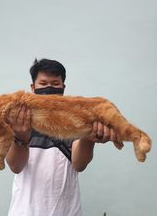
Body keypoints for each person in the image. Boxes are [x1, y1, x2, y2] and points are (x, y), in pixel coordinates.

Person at [6, 58, 117, 216]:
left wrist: (88, 138)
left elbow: (79, 164)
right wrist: (21, 137)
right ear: (32, 87)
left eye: (55, 84)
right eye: (43, 84)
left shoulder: (76, 118)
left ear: (63, 87)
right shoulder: (19, 119)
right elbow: (15, 166)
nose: (49, 88)